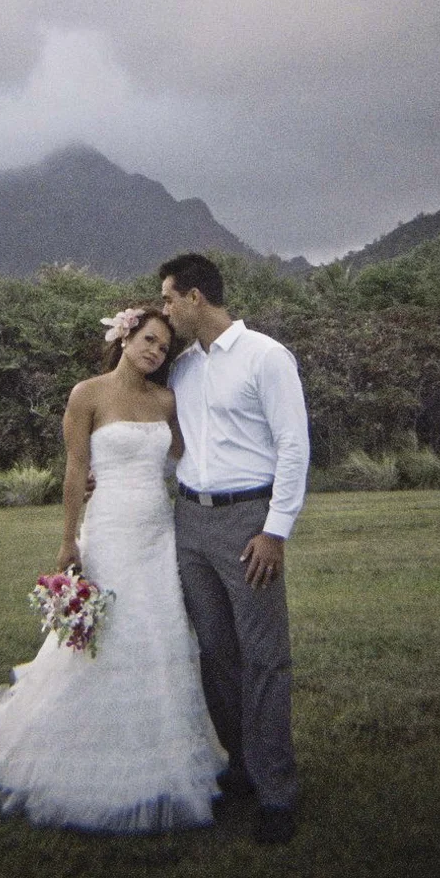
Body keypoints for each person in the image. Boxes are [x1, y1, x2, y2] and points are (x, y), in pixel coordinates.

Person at [0, 307, 225, 833]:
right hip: (111, 531)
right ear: (125, 338)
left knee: (160, 634)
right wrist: (68, 539)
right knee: (107, 635)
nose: (153, 352)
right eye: (147, 340)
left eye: (163, 348)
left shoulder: (165, 400)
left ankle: (164, 761)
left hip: (157, 532)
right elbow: (75, 469)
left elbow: (183, 459)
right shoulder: (88, 394)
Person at [159, 253, 309, 846]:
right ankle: (241, 770)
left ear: (195, 298)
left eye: (168, 298)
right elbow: (172, 443)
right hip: (190, 521)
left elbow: (293, 446)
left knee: (264, 658)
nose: (164, 310)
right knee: (217, 655)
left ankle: (278, 791)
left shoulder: (266, 357)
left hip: (250, 521)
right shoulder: (182, 368)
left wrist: (275, 530)